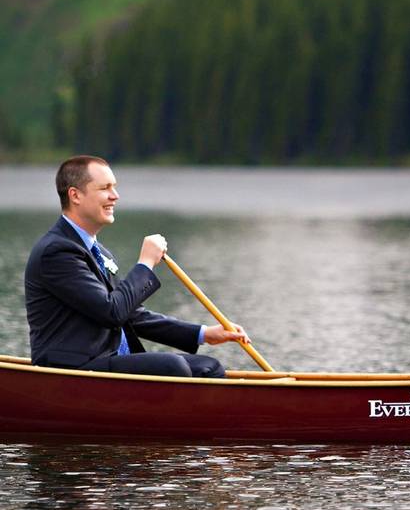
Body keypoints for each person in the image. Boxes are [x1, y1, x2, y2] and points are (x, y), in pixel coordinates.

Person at [24, 155, 249, 377]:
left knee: (209, 367)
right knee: (174, 367)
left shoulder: (100, 252)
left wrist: (204, 334)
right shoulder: (57, 252)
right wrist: (146, 263)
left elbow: (130, 315)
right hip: (70, 369)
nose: (115, 196)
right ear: (75, 195)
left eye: (114, 187)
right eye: (105, 188)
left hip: (106, 361)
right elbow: (111, 312)